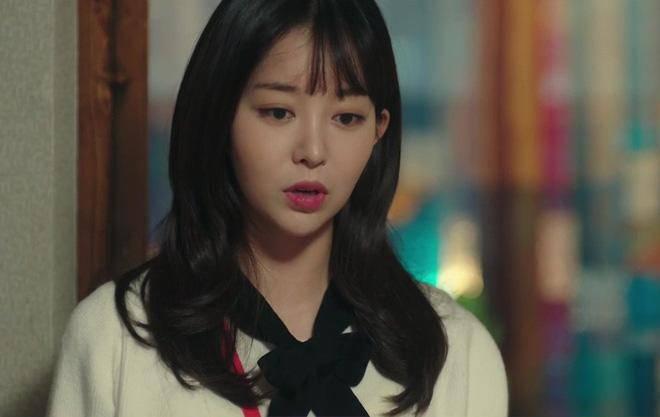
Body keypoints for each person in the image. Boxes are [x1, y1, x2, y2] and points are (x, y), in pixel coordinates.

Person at [46, 0, 508, 416]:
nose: (312, 151)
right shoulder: (115, 340)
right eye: (278, 112)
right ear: (220, 116)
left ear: (378, 132)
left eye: (346, 117)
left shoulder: (456, 353)